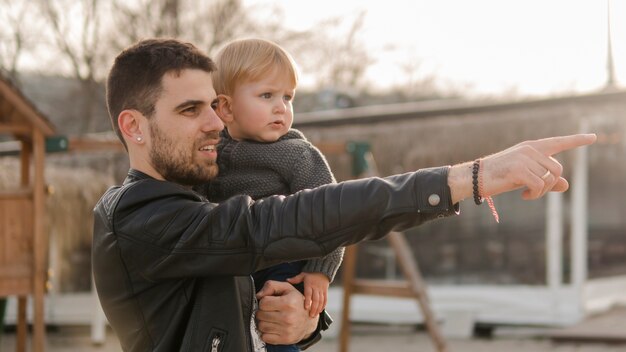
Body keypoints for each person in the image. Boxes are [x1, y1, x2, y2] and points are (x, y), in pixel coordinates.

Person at [92, 38, 596, 352]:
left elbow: (235, 299)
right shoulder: (138, 220)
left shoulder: (202, 192)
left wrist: (299, 320)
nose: (211, 121)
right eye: (189, 110)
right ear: (134, 126)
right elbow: (283, 221)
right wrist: (471, 177)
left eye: (212, 106)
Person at [192, 38, 343, 352]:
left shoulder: (296, 154)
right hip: (229, 269)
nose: (281, 107)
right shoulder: (208, 151)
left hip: (283, 269)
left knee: (275, 337)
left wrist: (320, 271)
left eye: (288, 97)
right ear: (227, 107)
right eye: (267, 95)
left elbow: (331, 210)